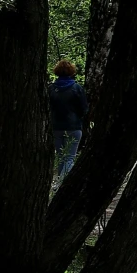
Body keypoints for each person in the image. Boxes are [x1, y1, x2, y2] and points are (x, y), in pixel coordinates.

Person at [49, 58, 88, 186]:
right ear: (71, 71)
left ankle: (60, 184)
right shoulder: (77, 88)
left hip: (56, 127)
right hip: (74, 127)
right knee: (70, 157)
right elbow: (84, 109)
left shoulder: (51, 88)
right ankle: (62, 184)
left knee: (61, 157)